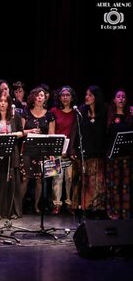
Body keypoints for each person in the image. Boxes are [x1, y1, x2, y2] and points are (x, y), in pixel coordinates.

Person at [15, 86, 55, 215]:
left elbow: (51, 134)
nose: (39, 98)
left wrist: (51, 153)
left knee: (39, 179)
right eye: (37, 95)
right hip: (27, 150)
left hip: (42, 151)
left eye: (42, 95)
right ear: (33, 98)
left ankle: (36, 206)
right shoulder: (25, 113)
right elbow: (20, 132)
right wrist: (29, 131)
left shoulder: (49, 115)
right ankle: (18, 206)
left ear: (45, 98)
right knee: (25, 178)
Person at [69, 85, 107, 213]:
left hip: (98, 152)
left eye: (90, 95)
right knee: (82, 182)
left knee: (96, 182)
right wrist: (72, 149)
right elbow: (75, 130)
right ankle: (82, 207)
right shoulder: (81, 111)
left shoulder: (104, 112)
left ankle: (96, 208)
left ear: (96, 97)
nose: (87, 97)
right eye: (86, 94)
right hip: (83, 152)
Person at [49, 86, 77, 214]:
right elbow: (51, 131)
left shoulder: (76, 112)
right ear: (59, 97)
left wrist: (71, 149)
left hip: (70, 150)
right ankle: (56, 204)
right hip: (57, 150)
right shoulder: (54, 111)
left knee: (70, 178)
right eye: (63, 95)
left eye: (68, 95)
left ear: (72, 97)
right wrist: (53, 150)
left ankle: (69, 203)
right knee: (56, 178)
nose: (65, 98)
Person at [105, 88, 132, 219]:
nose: (121, 99)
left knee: (126, 186)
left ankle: (125, 212)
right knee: (114, 186)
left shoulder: (129, 116)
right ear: (114, 100)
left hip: (127, 157)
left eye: (123, 97)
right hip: (113, 157)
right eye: (119, 97)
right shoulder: (109, 117)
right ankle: (114, 212)